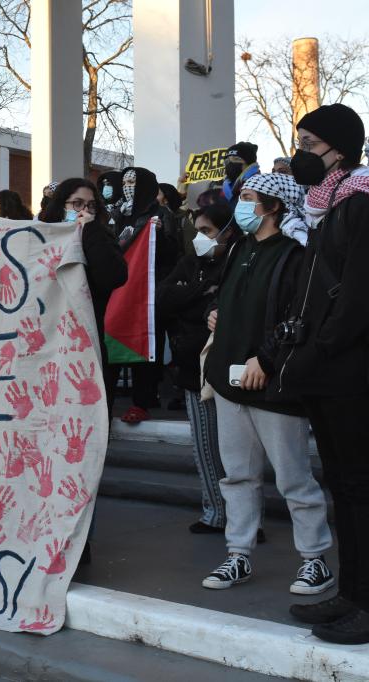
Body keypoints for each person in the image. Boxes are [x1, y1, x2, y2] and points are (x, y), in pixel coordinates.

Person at [201, 173, 334, 598]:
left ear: (274, 206)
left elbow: (302, 316)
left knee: (294, 479)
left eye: (249, 197)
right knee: (237, 476)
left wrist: (267, 358)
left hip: (273, 387)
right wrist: (216, 315)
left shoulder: (298, 253)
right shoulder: (241, 247)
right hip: (229, 382)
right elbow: (229, 297)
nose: (241, 204)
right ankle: (238, 553)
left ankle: (315, 561)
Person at [275, 103, 369, 644]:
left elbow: (357, 295)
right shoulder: (325, 208)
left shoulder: (359, 203)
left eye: (310, 145)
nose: (300, 155)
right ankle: (352, 593)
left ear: (338, 146)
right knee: (343, 485)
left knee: (361, 486)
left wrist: (320, 348)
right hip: (326, 370)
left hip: (350, 368)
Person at [156, 202, 237, 534]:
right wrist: (202, 293)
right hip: (193, 368)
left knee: (236, 450)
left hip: (231, 367)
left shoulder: (237, 262)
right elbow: (164, 299)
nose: (199, 238)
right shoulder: (190, 263)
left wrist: (189, 298)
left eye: (206, 231)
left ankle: (243, 517)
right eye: (198, 231)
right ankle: (215, 512)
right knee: (205, 444)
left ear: (227, 231)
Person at [38, 179, 128, 416]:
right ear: (61, 206)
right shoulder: (40, 239)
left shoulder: (100, 237)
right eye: (76, 204)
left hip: (86, 341)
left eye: (91, 206)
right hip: (44, 341)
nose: (84, 211)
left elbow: (114, 277)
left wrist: (91, 232)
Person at [115, 166, 182, 423]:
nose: (128, 186)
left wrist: (157, 237)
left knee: (147, 344)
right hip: (122, 289)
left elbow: (171, 252)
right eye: (125, 181)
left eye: (133, 181)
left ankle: (143, 399)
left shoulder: (161, 214)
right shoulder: (117, 213)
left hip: (151, 289)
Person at [222, 141, 260, 209]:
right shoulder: (225, 187)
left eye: (236, 159)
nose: (231, 163)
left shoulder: (258, 185)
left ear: (249, 164)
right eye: (227, 161)